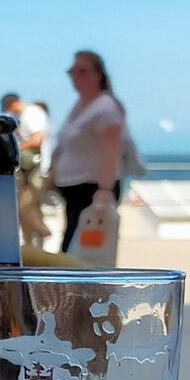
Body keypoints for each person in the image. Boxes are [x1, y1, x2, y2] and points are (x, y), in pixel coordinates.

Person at [48, 49, 126, 258]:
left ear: (98, 74)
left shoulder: (105, 107)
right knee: (73, 249)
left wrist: (105, 189)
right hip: (73, 189)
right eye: (73, 72)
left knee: (84, 252)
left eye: (82, 71)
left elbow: (111, 150)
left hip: (92, 189)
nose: (76, 77)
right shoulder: (80, 106)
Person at [2, 92, 51, 249]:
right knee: (31, 208)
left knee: (25, 207)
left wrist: (17, 147)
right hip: (29, 171)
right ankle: (32, 246)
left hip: (38, 171)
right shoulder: (25, 117)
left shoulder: (31, 114)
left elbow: (37, 140)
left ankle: (43, 231)